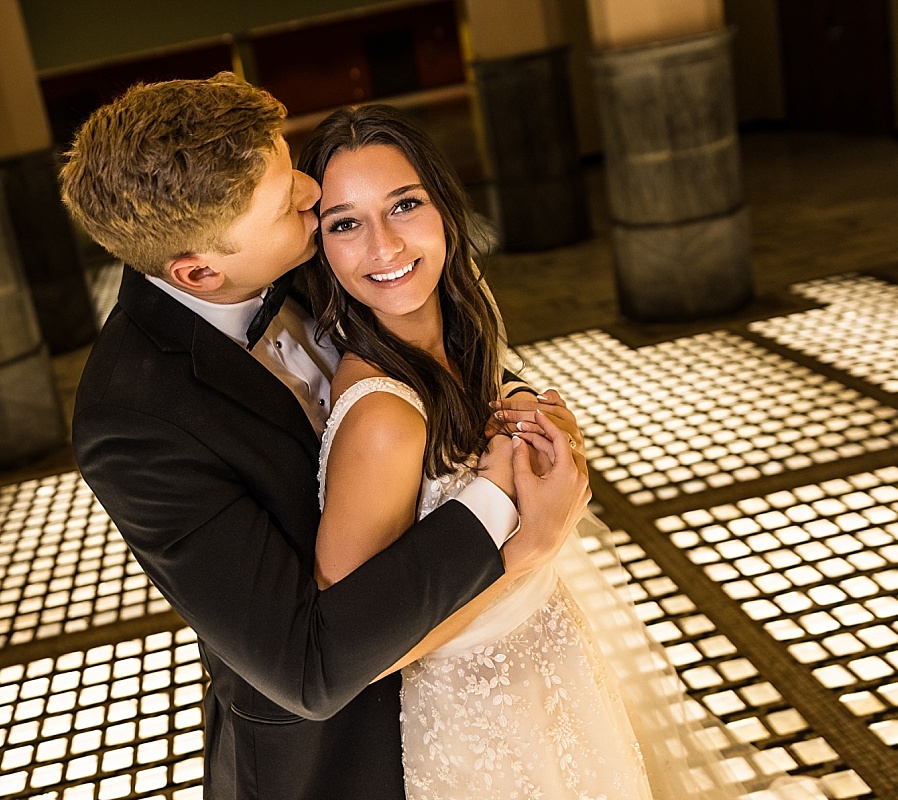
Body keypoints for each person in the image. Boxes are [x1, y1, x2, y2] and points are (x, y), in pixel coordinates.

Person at [59, 73, 591, 800]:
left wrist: (512, 400)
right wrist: (512, 523)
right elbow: (306, 667)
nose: (314, 195)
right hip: (334, 761)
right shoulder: (133, 421)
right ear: (198, 271)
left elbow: (417, 330)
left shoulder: (300, 249)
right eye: (290, 204)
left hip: (481, 698)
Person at [299, 104, 828, 800]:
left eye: (404, 204)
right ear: (322, 248)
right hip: (481, 728)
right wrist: (532, 546)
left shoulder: (460, 338)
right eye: (345, 223)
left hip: (556, 669)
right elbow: (357, 656)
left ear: (445, 207)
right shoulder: (383, 421)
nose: (385, 245)